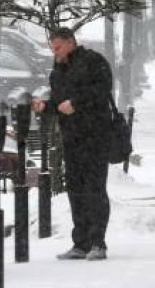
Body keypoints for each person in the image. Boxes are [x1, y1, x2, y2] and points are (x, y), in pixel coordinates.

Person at [32, 27, 113, 261]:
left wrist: (76, 103)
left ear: (70, 42)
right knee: (75, 189)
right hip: (72, 137)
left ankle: (98, 243)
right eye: (52, 48)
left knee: (95, 189)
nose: (54, 52)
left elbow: (102, 91)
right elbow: (59, 101)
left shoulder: (93, 62)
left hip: (95, 135)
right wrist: (45, 106)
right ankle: (81, 243)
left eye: (57, 47)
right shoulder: (59, 70)